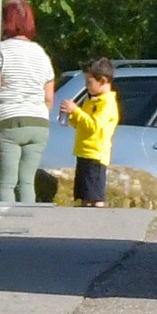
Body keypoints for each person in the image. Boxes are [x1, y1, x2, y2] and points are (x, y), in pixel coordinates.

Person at [0, 0, 56, 203]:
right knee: (27, 182)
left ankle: (5, 230)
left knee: (6, 183)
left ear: (6, 21)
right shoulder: (41, 54)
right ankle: (28, 231)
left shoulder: (1, 51)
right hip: (39, 123)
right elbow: (48, 96)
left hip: (11, 121)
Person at [60, 58, 119, 208]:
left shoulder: (106, 103)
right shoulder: (91, 100)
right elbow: (83, 125)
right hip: (83, 152)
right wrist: (71, 116)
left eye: (89, 82)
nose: (87, 86)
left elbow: (94, 126)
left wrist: (76, 111)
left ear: (103, 80)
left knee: (95, 195)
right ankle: (85, 219)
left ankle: (97, 220)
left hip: (96, 154)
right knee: (84, 195)